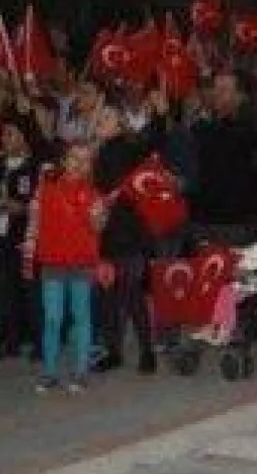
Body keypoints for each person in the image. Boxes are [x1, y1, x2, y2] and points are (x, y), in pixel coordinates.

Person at [25, 142, 107, 394]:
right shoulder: (46, 188)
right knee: (52, 319)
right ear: (64, 161)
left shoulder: (93, 194)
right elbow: (34, 221)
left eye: (86, 160)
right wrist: (29, 249)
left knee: (81, 317)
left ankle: (80, 372)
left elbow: (98, 228)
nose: (80, 164)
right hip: (52, 263)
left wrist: (98, 217)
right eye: (74, 158)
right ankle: (50, 372)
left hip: (81, 263)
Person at [91, 103, 162, 373]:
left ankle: (146, 351)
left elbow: (151, 142)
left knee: (132, 294)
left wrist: (160, 114)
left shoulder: (129, 148)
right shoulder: (100, 152)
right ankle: (114, 351)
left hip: (129, 234)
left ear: (119, 123)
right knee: (109, 295)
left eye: (106, 116)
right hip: (107, 234)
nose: (100, 120)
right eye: (99, 116)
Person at [0, 116, 43, 361]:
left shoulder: (35, 167)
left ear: (25, 138)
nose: (5, 139)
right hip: (0, 234)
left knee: (30, 291)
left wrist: (23, 208)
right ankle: (9, 339)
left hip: (25, 237)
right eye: (4, 134)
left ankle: (39, 341)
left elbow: (41, 203)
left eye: (11, 134)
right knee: (4, 290)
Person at [189, 69, 257, 247]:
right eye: (215, 89)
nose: (216, 94)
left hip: (236, 222)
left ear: (240, 96)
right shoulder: (207, 126)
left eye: (223, 90)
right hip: (205, 220)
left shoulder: (253, 127)